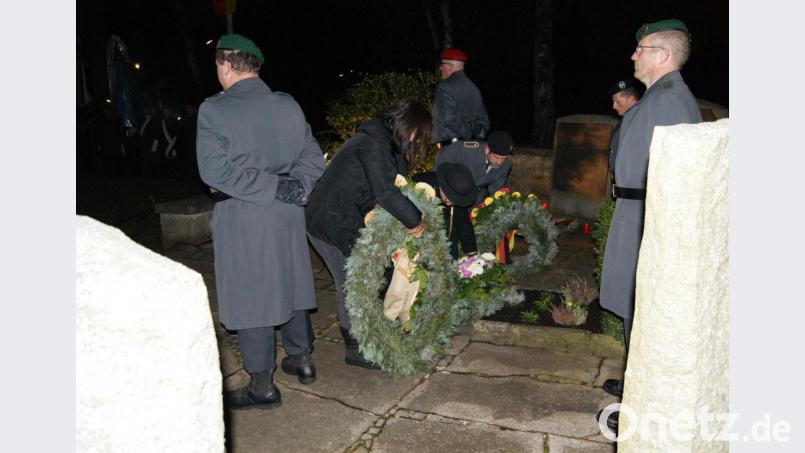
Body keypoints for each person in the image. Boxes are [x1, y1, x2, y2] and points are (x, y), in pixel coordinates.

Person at [196, 34, 326, 411]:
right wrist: (296, 186)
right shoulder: (287, 104)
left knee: (251, 291)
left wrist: (271, 187)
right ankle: (301, 358)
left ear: (225, 65)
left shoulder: (215, 109)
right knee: (291, 279)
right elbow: (313, 158)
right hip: (287, 211)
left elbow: (214, 171)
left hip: (245, 212)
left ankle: (262, 386)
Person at [596, 19, 702, 433]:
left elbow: (677, 175)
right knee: (635, 308)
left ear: (664, 55)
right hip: (636, 211)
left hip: (647, 216)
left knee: (644, 311)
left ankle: (642, 409)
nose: (633, 55)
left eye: (641, 49)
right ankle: (636, 388)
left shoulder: (669, 101)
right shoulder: (659, 97)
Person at [305, 99, 429, 369]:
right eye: (419, 134)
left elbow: (398, 184)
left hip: (345, 216)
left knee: (370, 276)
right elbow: (385, 192)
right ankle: (356, 346)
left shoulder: (388, 144)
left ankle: (372, 332)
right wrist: (415, 221)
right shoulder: (373, 142)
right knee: (352, 282)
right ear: (407, 125)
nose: (419, 141)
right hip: (329, 220)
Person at [413, 163, 478, 259]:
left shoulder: (458, 191)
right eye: (451, 198)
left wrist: (472, 254)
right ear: (443, 187)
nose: (452, 203)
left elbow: (463, 222)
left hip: (447, 240)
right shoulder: (420, 187)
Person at [431, 48, 490, 151]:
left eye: (442, 65)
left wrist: (467, 133)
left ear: (449, 67)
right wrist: (474, 134)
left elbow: (448, 118)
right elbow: (484, 121)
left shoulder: (445, 86)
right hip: (472, 148)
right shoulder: (474, 88)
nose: (440, 68)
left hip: (451, 149)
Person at [435, 130, 514, 205]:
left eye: (504, 158)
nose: (500, 162)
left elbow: (496, 191)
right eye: (497, 157)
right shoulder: (464, 150)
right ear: (487, 150)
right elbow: (439, 167)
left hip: (474, 200)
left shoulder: (506, 164)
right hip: (448, 190)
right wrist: (441, 188)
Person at [607, 78, 641, 180]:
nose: (614, 106)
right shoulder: (623, 120)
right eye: (613, 102)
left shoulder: (641, 120)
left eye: (618, 102)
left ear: (631, 99)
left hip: (631, 182)